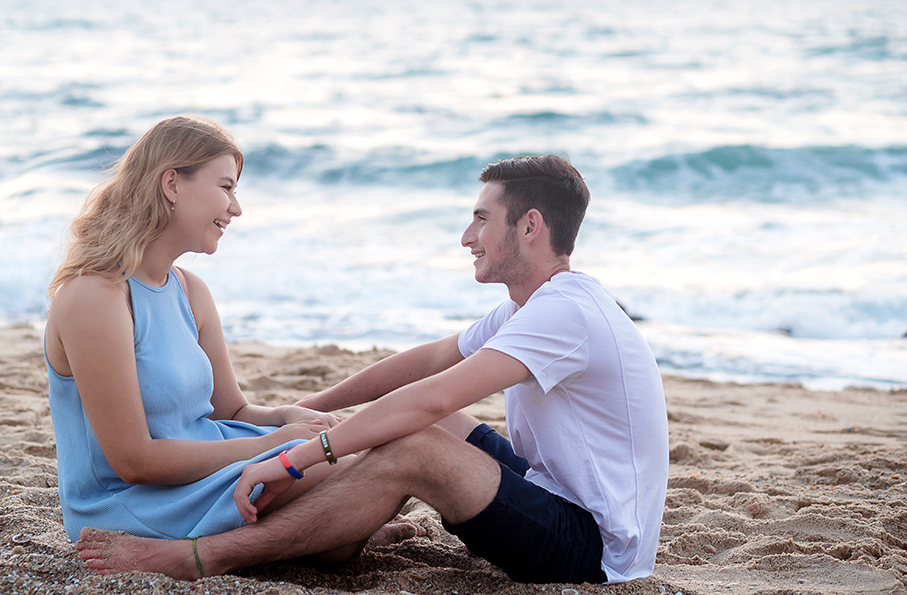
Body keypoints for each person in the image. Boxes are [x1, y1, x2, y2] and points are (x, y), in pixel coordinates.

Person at [76, 154, 669, 585]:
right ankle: (338, 526)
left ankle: (210, 556)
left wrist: (296, 456)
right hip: (551, 489)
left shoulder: (566, 314)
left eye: (482, 219)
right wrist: (321, 410)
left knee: (415, 441)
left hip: (594, 549)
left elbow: (429, 401)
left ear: (531, 226)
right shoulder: (534, 305)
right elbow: (428, 364)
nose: (468, 237)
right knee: (414, 423)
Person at [44, 115, 371, 552]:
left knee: (365, 452)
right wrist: (276, 446)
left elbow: (229, 409)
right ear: (172, 184)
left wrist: (285, 418)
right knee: (353, 469)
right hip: (137, 500)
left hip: (206, 466)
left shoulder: (189, 289)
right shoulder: (95, 297)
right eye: (226, 188)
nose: (236, 208)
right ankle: (328, 532)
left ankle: (329, 534)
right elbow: (133, 461)